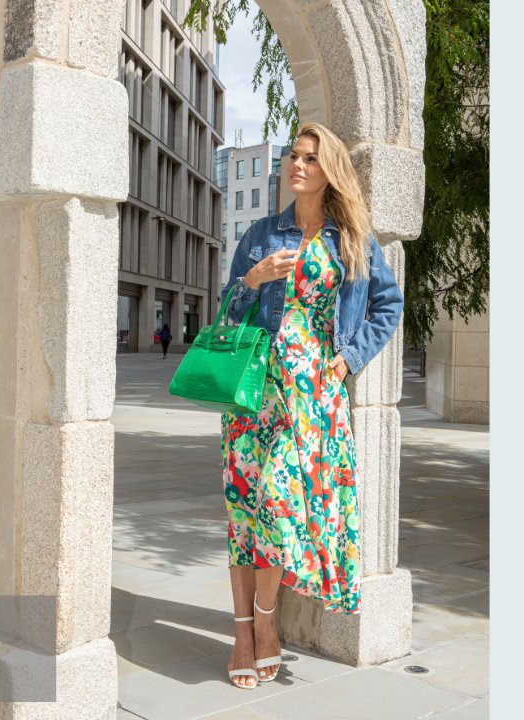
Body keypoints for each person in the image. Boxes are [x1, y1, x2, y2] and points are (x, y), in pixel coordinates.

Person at [216, 122, 403, 689]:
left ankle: (265, 622)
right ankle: (243, 635)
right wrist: (251, 280)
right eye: (294, 156)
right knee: (245, 516)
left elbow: (388, 305)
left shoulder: (350, 239)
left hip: (313, 399)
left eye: (310, 159)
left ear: (330, 171)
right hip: (257, 394)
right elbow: (229, 311)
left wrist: (348, 359)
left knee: (278, 509)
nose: (297, 165)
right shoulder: (260, 235)